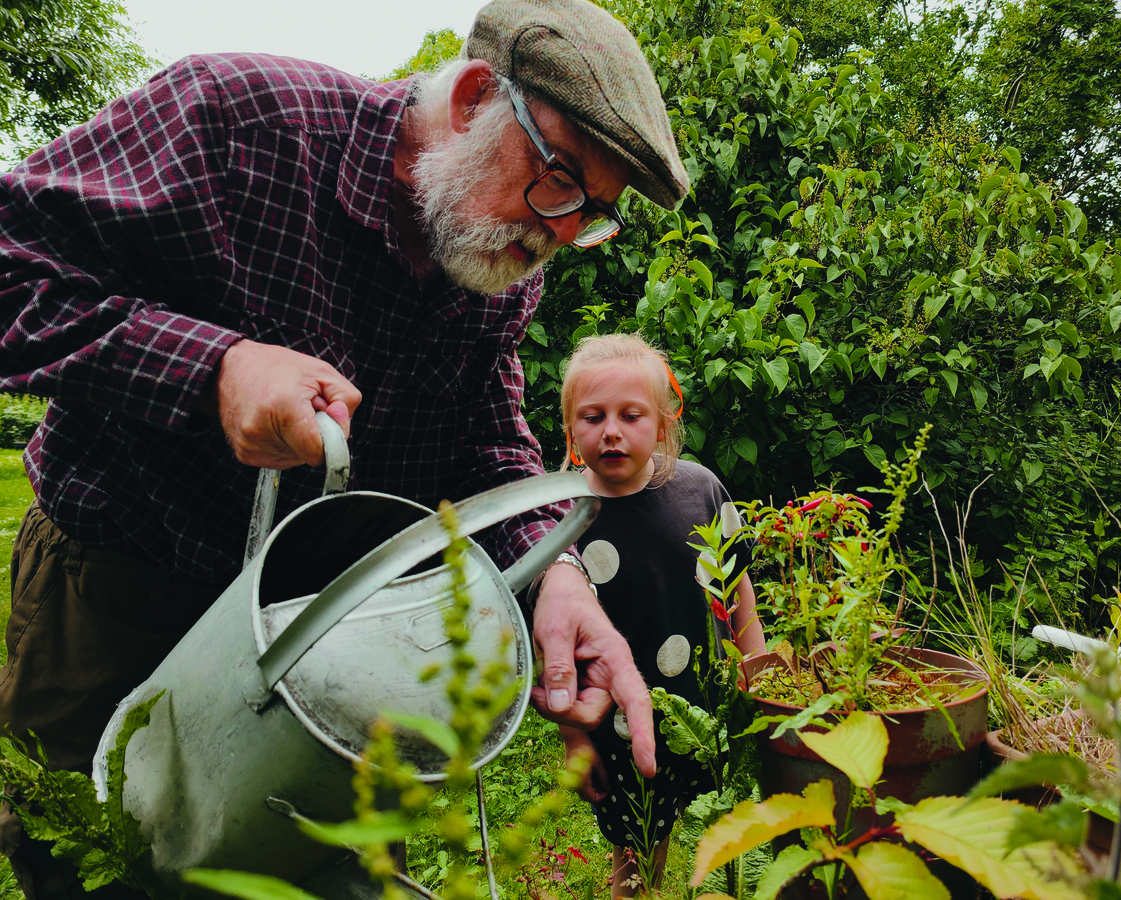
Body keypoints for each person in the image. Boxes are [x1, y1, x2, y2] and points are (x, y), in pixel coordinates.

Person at [0, 1, 690, 896]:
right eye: (560, 181)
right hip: (123, 588)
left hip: (332, 631)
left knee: (324, 876)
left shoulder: (497, 256)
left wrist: (553, 573)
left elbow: (483, 440)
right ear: (478, 98)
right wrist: (214, 369)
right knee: (96, 866)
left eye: (591, 214)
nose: (559, 232)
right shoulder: (237, 121)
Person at [552, 334, 764, 898]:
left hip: (705, 701)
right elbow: (556, 644)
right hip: (617, 721)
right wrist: (575, 737)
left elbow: (736, 582)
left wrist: (759, 663)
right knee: (640, 838)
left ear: (664, 426)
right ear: (572, 431)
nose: (612, 431)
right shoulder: (563, 516)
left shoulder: (699, 490)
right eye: (593, 417)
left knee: (722, 818)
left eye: (631, 415)